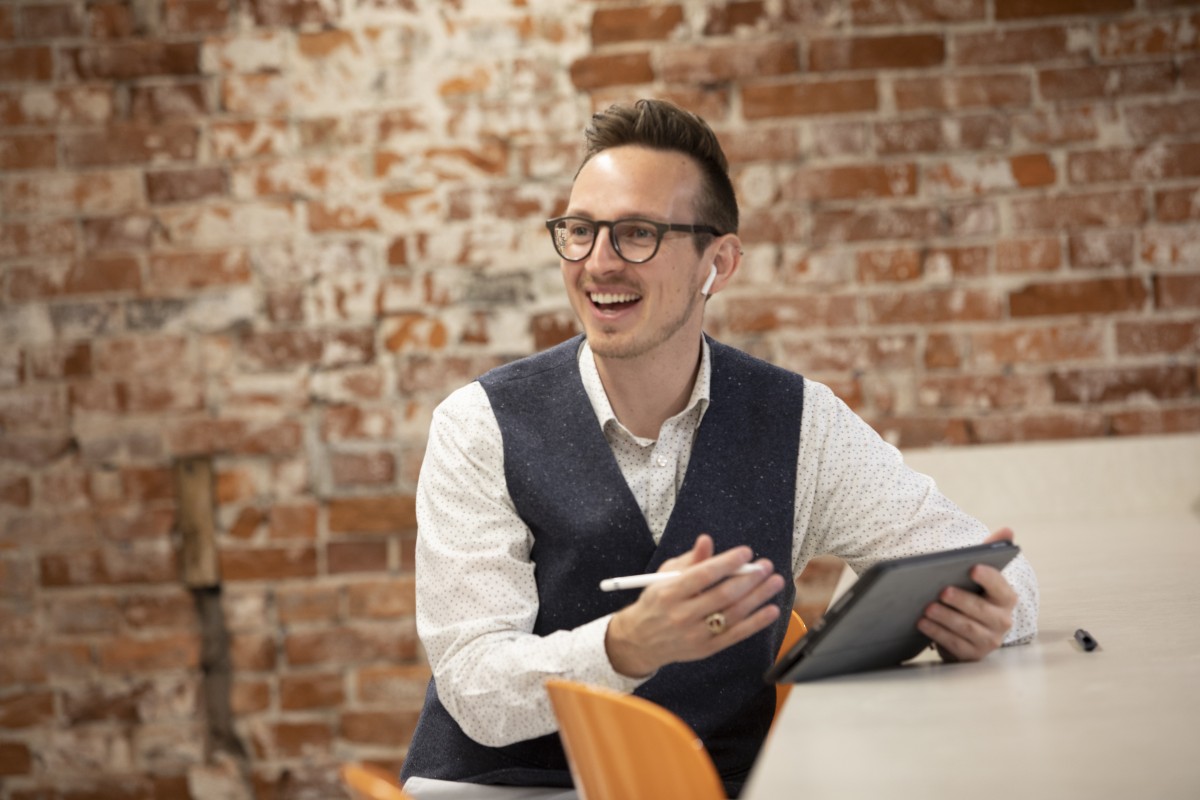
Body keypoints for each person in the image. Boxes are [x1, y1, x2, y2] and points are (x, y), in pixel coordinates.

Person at [399, 99, 1038, 799]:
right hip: (511, 788)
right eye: (579, 231)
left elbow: (990, 568)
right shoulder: (478, 425)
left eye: (637, 234)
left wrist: (990, 617)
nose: (598, 263)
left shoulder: (801, 422)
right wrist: (624, 646)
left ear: (719, 262)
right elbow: (474, 684)